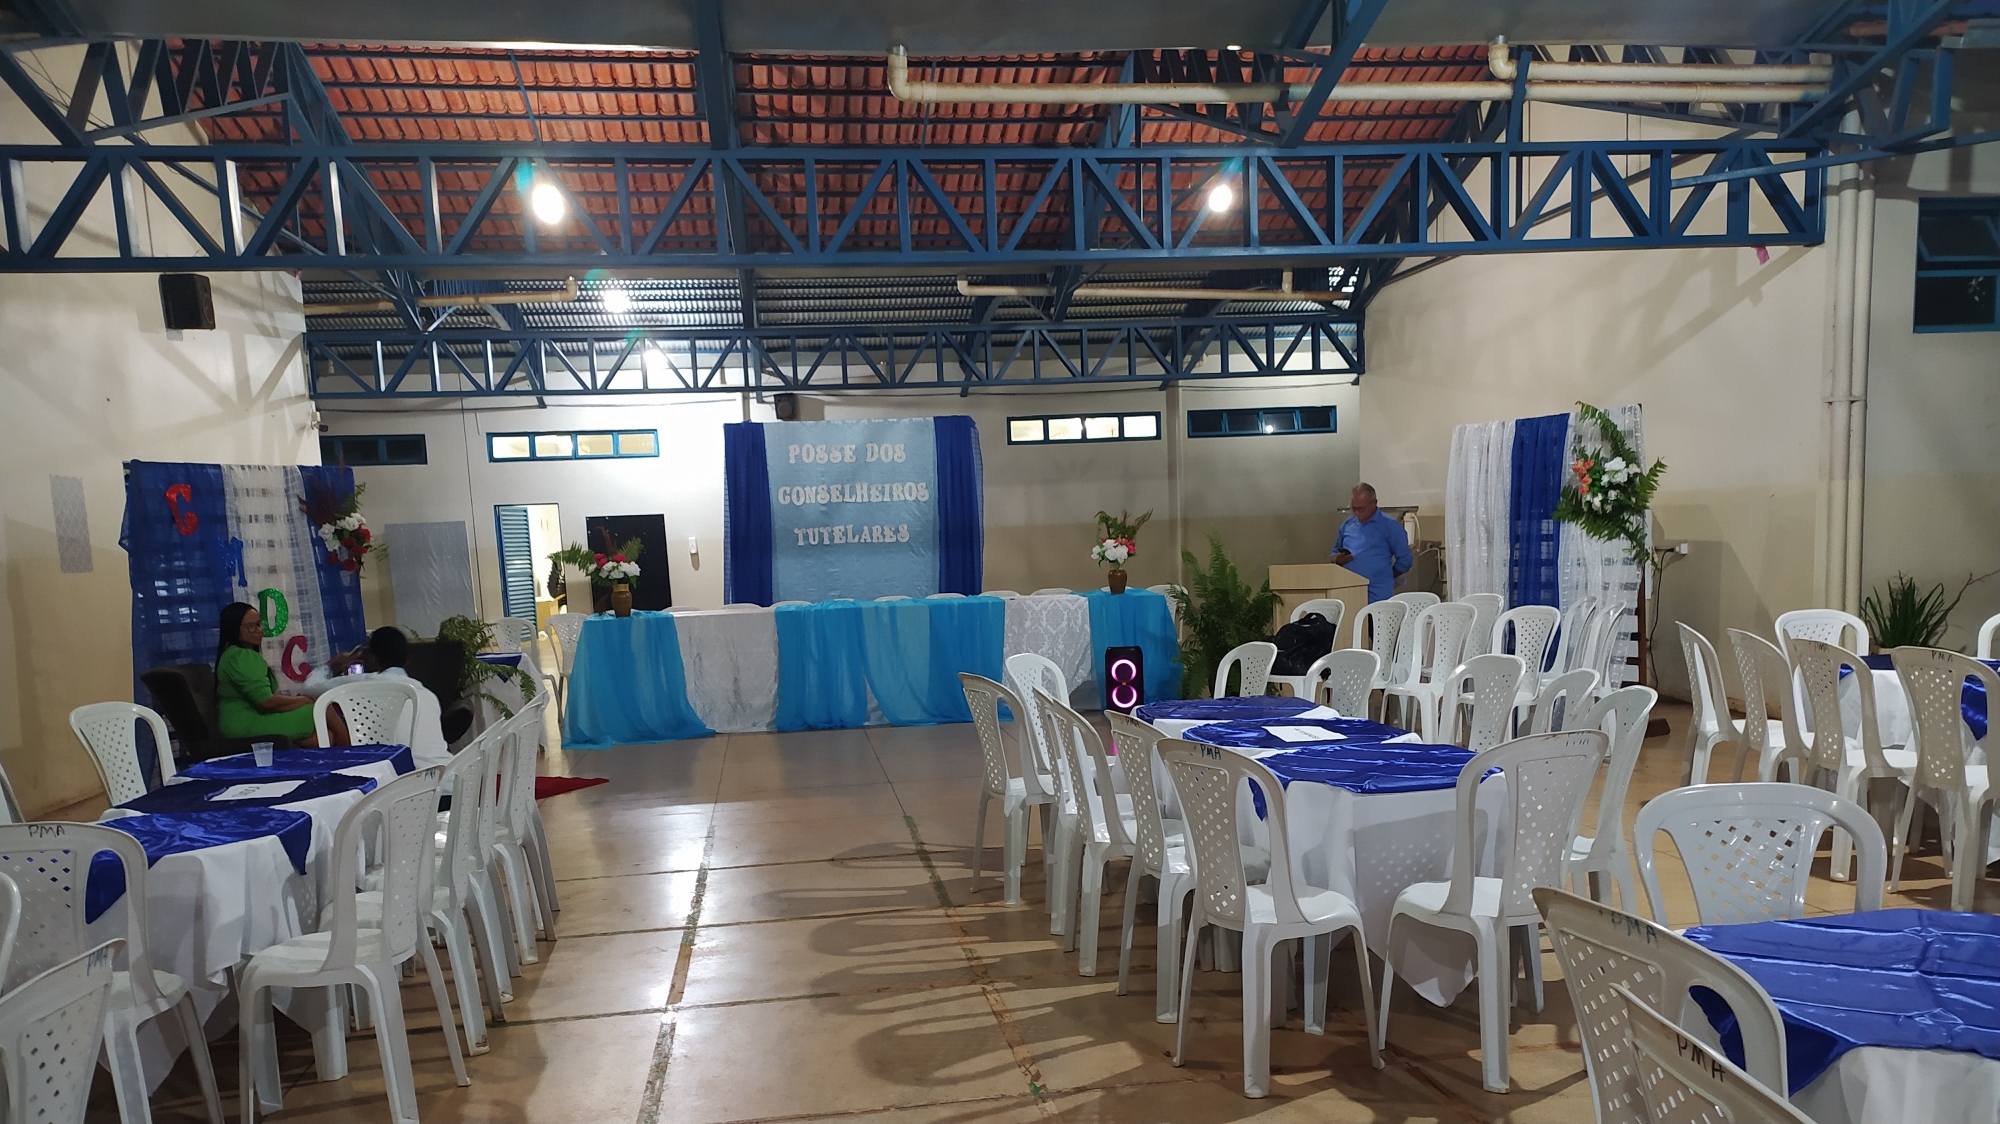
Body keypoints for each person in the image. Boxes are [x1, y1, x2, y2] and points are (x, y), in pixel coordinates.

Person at [301, 626, 453, 768]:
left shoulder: (362, 685)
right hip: (447, 773)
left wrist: (330, 666)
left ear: (371, 658)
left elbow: (310, 688)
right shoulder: (427, 694)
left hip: (402, 780)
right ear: (408, 659)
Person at [215, 602, 348, 747]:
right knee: (321, 707)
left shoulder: (232, 654)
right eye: (252, 626)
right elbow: (266, 701)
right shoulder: (241, 656)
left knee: (325, 737)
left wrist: (298, 700)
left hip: (243, 720)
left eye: (259, 624)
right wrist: (303, 700)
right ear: (234, 629)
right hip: (246, 723)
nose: (259, 630)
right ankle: (353, 750)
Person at [1330, 482, 1413, 604]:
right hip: (1349, 593)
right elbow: (1334, 552)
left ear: (1374, 503)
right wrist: (1337, 559)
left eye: (1361, 509)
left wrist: (1385, 574)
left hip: (1377, 596)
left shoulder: (1390, 526)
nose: (1357, 513)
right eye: (1354, 508)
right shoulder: (1347, 525)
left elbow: (1405, 561)